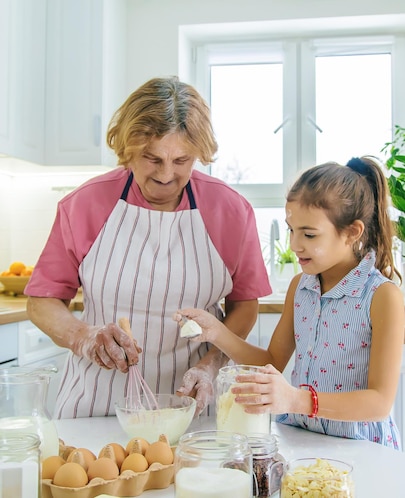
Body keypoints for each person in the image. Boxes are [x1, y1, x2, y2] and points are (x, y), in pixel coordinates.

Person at [24, 76, 272, 419]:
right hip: (95, 406)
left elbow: (244, 305)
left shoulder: (229, 211)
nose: (167, 175)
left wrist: (211, 365)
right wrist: (84, 336)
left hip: (191, 409)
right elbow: (42, 302)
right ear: (128, 149)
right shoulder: (84, 205)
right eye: (151, 158)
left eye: (182, 160)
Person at [175, 156, 405, 449]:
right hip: (303, 439)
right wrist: (216, 332)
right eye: (291, 230)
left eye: (309, 234)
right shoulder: (301, 286)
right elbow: (271, 360)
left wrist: (296, 399)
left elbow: (379, 403)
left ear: (352, 232)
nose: (295, 245)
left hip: (362, 447)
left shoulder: (382, 296)